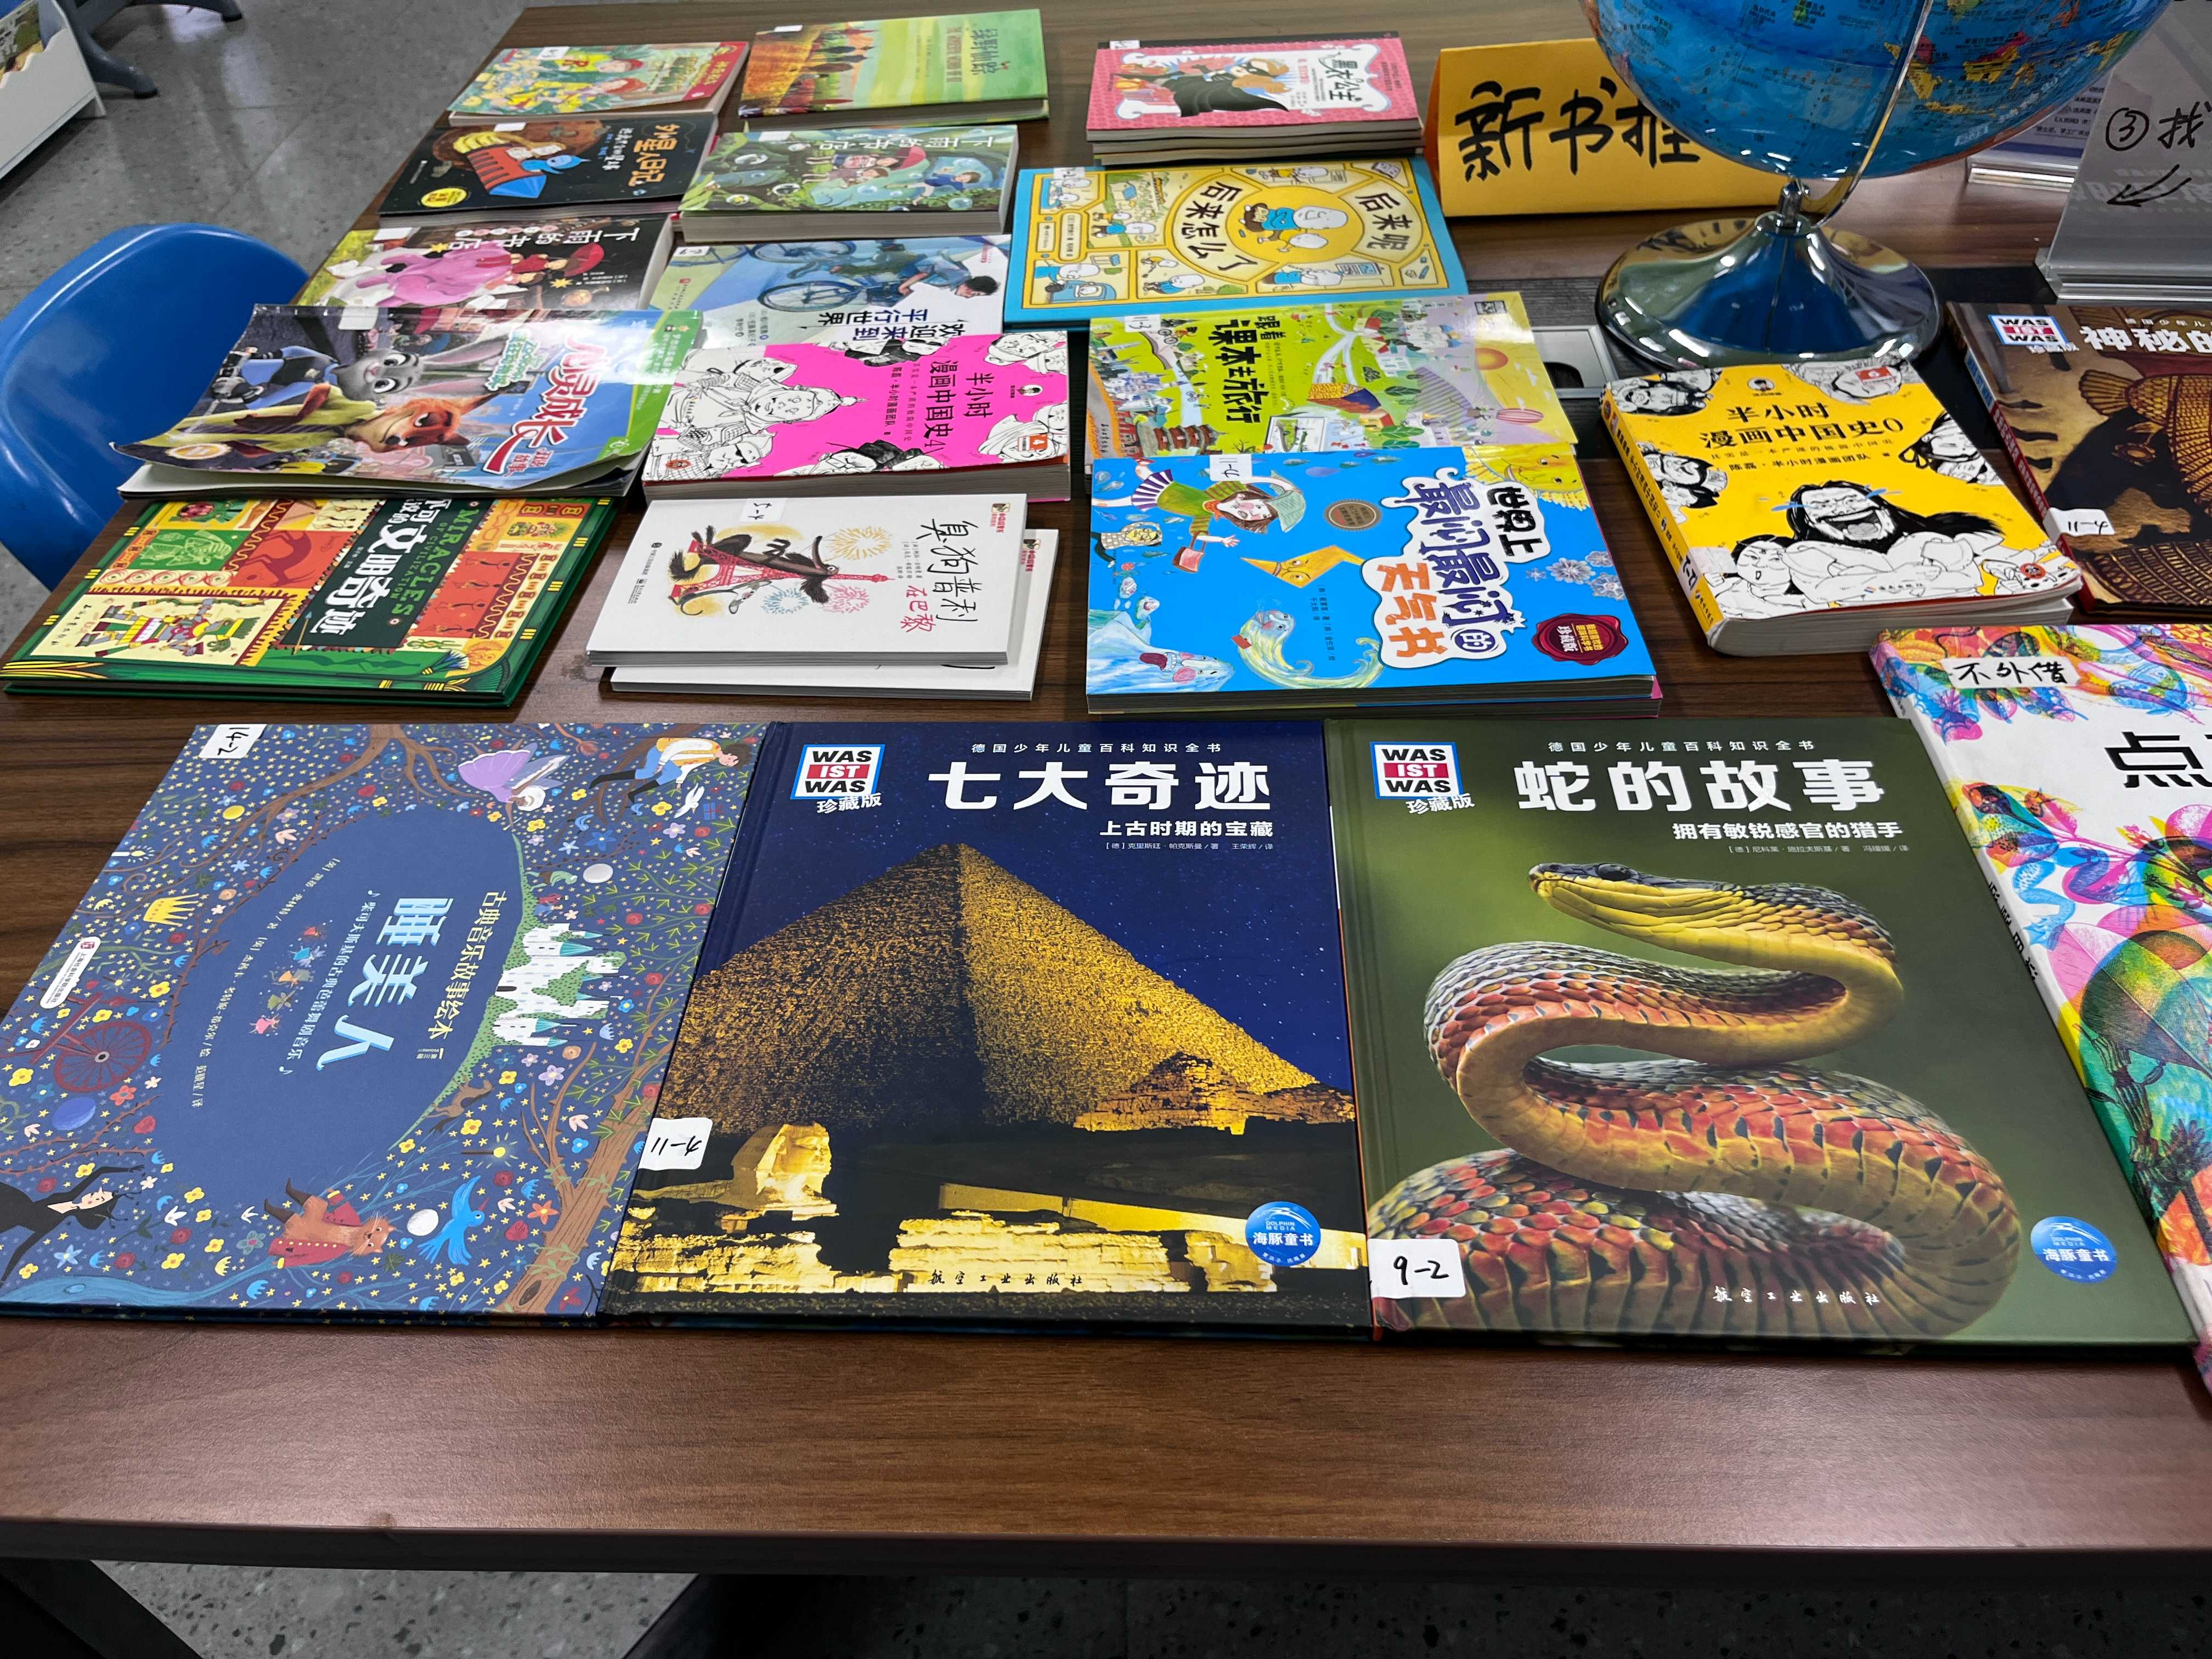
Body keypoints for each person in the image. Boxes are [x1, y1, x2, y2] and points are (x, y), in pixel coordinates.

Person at [0, 1166, 133, 1281]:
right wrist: (128, 1169)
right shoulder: (70, 1196)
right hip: (15, 1199)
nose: (95, 1195)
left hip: (7, 1218)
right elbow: (101, 1171)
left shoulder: (54, 1222)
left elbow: (21, 1249)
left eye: (100, 1198)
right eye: (98, 1192)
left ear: (96, 1208)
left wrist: (3, 1279)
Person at [587, 736, 747, 800]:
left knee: (675, 773)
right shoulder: (710, 746)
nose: (727, 763)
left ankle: (633, 793)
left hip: (672, 761)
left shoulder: (711, 757)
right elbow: (677, 746)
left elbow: (690, 766)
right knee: (648, 773)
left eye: (730, 764)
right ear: (730, 753)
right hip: (662, 751)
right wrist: (662, 763)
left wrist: (680, 782)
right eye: (730, 760)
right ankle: (603, 778)